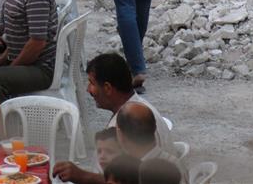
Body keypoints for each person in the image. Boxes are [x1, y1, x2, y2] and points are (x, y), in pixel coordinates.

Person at [52, 53, 175, 184]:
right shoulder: (142, 108)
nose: (88, 90)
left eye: (91, 83)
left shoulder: (122, 128)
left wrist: (82, 176)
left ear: (107, 88)